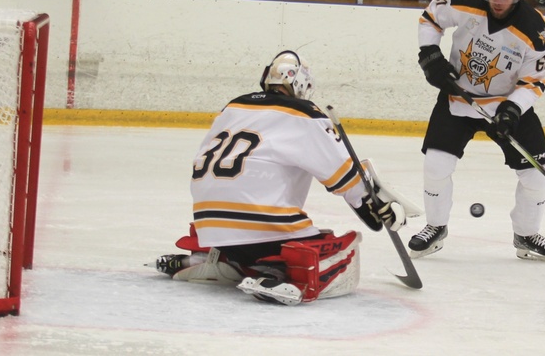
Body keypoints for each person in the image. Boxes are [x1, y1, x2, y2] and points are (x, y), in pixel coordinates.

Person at [155, 50, 398, 306]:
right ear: (302, 85)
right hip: (263, 230)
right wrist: (373, 206)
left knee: (250, 233)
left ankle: (223, 261)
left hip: (210, 227)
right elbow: (345, 178)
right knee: (341, 247)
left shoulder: (233, 106)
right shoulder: (305, 113)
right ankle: (291, 277)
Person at [410, 0, 545, 262]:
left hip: (505, 104)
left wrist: (513, 109)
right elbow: (430, 17)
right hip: (459, 98)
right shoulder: (465, 0)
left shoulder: (536, 31)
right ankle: (436, 227)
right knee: (436, 166)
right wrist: (429, 54)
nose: (498, 0)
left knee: (536, 176)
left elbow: (535, 80)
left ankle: (527, 234)